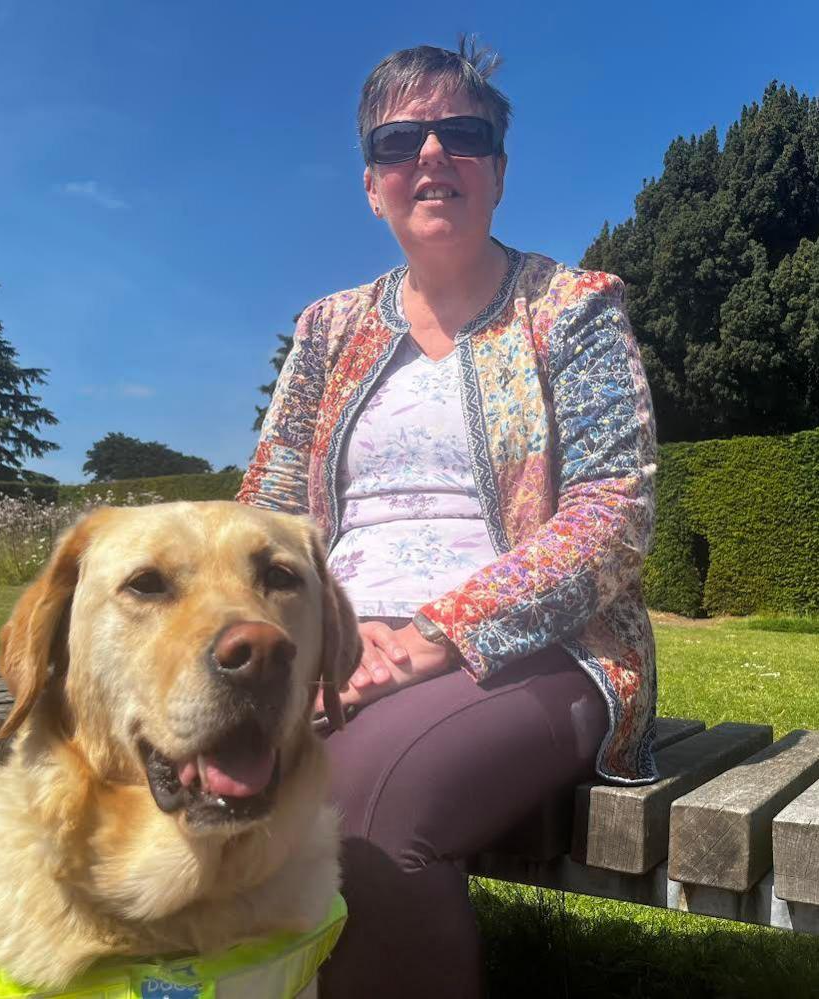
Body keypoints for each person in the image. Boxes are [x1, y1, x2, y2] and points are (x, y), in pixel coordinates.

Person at [237, 38, 657, 998]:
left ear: (498, 172)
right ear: (371, 183)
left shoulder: (572, 309)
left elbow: (612, 513)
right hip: (332, 645)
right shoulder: (328, 327)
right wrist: (305, 638)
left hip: (528, 649)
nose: (430, 156)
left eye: (461, 134)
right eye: (399, 142)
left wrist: (431, 635)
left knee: (360, 819)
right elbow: (264, 506)